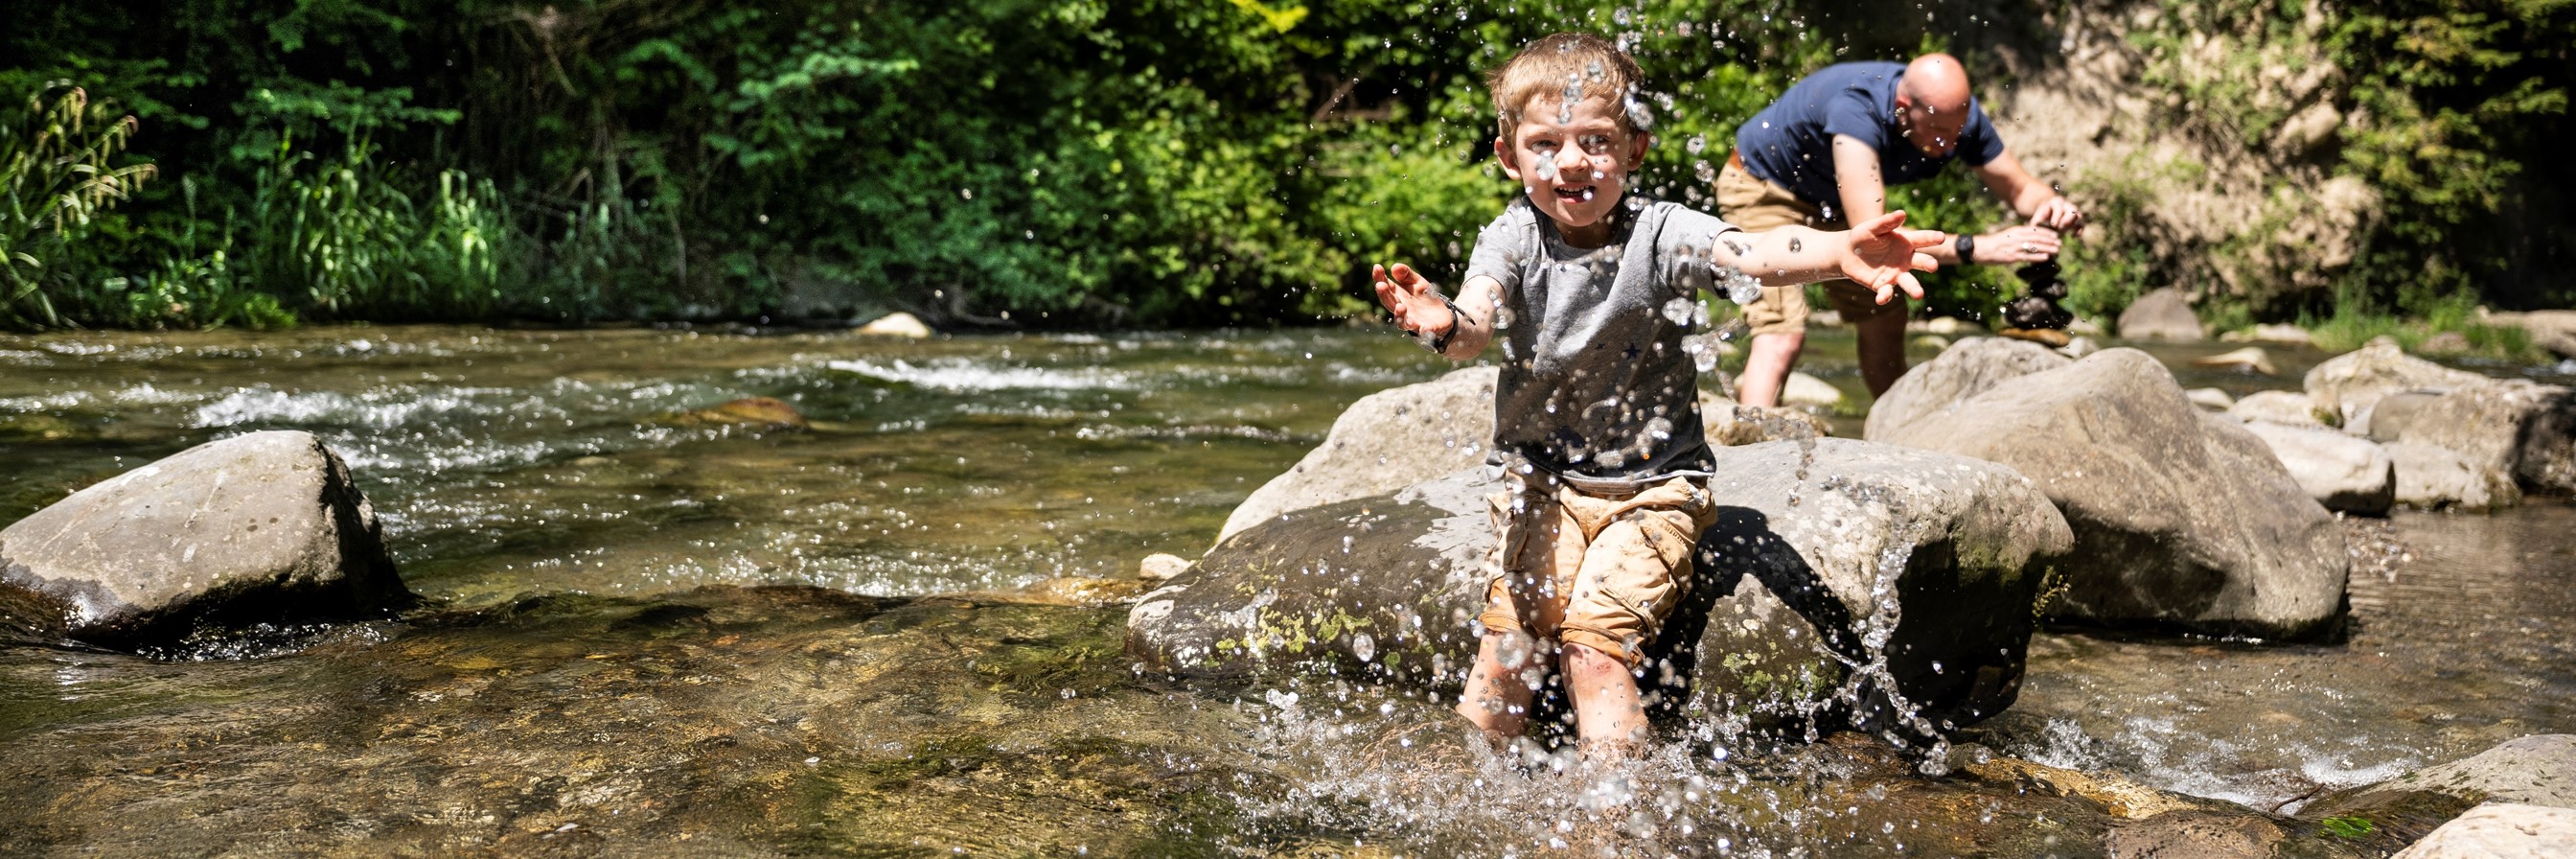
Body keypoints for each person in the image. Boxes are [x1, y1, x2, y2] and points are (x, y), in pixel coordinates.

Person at [1369, 33, 1943, 758]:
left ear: (1634, 148)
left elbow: (1754, 254)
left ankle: (1613, 811)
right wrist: (1445, 323)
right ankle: (1464, 794)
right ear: (1509, 157)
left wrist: (1838, 251)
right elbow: (1475, 326)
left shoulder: (1663, 232)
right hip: (1538, 486)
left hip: (1654, 490)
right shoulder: (1510, 239)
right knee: (1509, 646)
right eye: (1545, 144)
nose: (1571, 162)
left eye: (1596, 142)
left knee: (1591, 651)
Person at [1719, 53, 2088, 406]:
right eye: (1939, 132)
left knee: (1885, 315)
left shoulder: (1955, 116)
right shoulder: (1857, 111)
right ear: (1903, 107)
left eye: (1958, 132)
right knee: (1781, 332)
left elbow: (2020, 190)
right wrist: (1976, 247)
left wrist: (2050, 204)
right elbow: (1874, 238)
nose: (1951, 144)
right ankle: (1755, 439)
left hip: (1834, 203)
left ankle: (1895, 425)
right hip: (1765, 189)